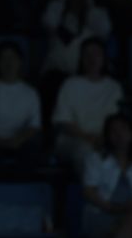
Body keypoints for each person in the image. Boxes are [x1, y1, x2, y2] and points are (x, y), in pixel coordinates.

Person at [53, 38, 124, 174]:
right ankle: (94, 193)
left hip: (105, 140)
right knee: (85, 152)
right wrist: (88, 137)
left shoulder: (114, 87)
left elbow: (118, 121)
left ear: (104, 58)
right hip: (74, 140)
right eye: (87, 54)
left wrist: (105, 139)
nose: (92, 59)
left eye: (96, 54)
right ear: (81, 58)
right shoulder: (70, 84)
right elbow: (63, 121)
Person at [81, 114, 132, 238]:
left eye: (123, 129)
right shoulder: (96, 159)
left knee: (130, 223)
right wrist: (109, 207)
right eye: (113, 131)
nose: (119, 135)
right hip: (100, 215)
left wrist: (124, 208)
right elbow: (88, 191)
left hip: (128, 213)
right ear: (107, 135)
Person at [0, 42, 42, 170]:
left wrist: (18, 140)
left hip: (20, 143)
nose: (9, 63)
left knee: (33, 153)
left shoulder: (30, 93)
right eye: (4, 58)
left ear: (20, 62)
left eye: (13, 58)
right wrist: (1, 142)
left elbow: (34, 125)